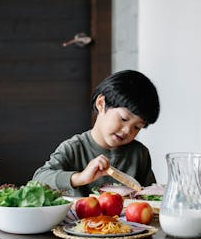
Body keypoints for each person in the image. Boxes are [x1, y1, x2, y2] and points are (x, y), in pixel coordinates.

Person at [33, 69, 160, 197]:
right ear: (101, 104)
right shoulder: (74, 148)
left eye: (137, 127)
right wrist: (80, 177)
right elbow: (39, 178)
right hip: (81, 217)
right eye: (123, 119)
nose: (127, 130)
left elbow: (151, 197)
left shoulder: (140, 154)